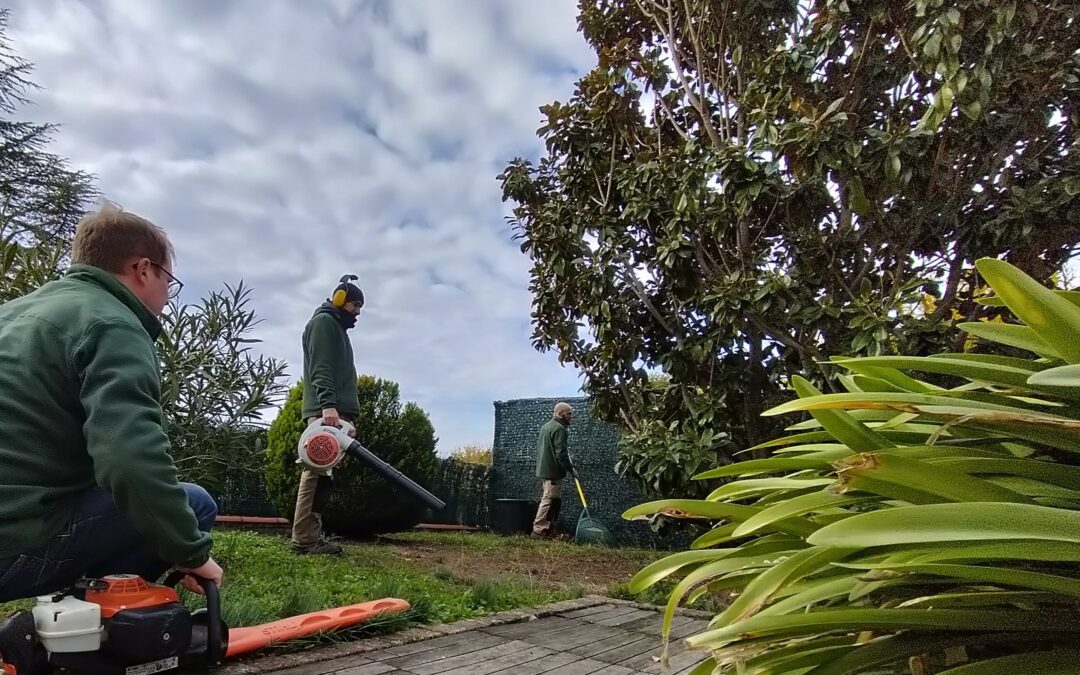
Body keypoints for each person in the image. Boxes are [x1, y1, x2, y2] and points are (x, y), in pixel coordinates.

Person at [0, 201, 222, 603]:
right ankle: (95, 634)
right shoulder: (114, 323)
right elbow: (128, 458)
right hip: (11, 548)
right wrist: (191, 552)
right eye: (167, 279)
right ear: (142, 269)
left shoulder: (13, 313)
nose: (168, 295)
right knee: (195, 503)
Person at [291, 275, 364, 555]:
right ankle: (304, 540)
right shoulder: (323, 324)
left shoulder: (335, 327)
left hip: (336, 413)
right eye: (354, 304)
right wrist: (328, 406)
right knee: (316, 472)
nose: (357, 312)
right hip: (328, 412)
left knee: (324, 475)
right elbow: (321, 368)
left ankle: (310, 536)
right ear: (339, 299)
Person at [532, 402, 576, 538]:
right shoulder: (560, 429)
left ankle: (548, 528)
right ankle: (539, 529)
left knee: (552, 499)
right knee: (549, 499)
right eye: (568, 414)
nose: (571, 416)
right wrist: (571, 469)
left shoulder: (547, 427)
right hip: (552, 471)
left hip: (546, 469)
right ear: (560, 414)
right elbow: (561, 454)